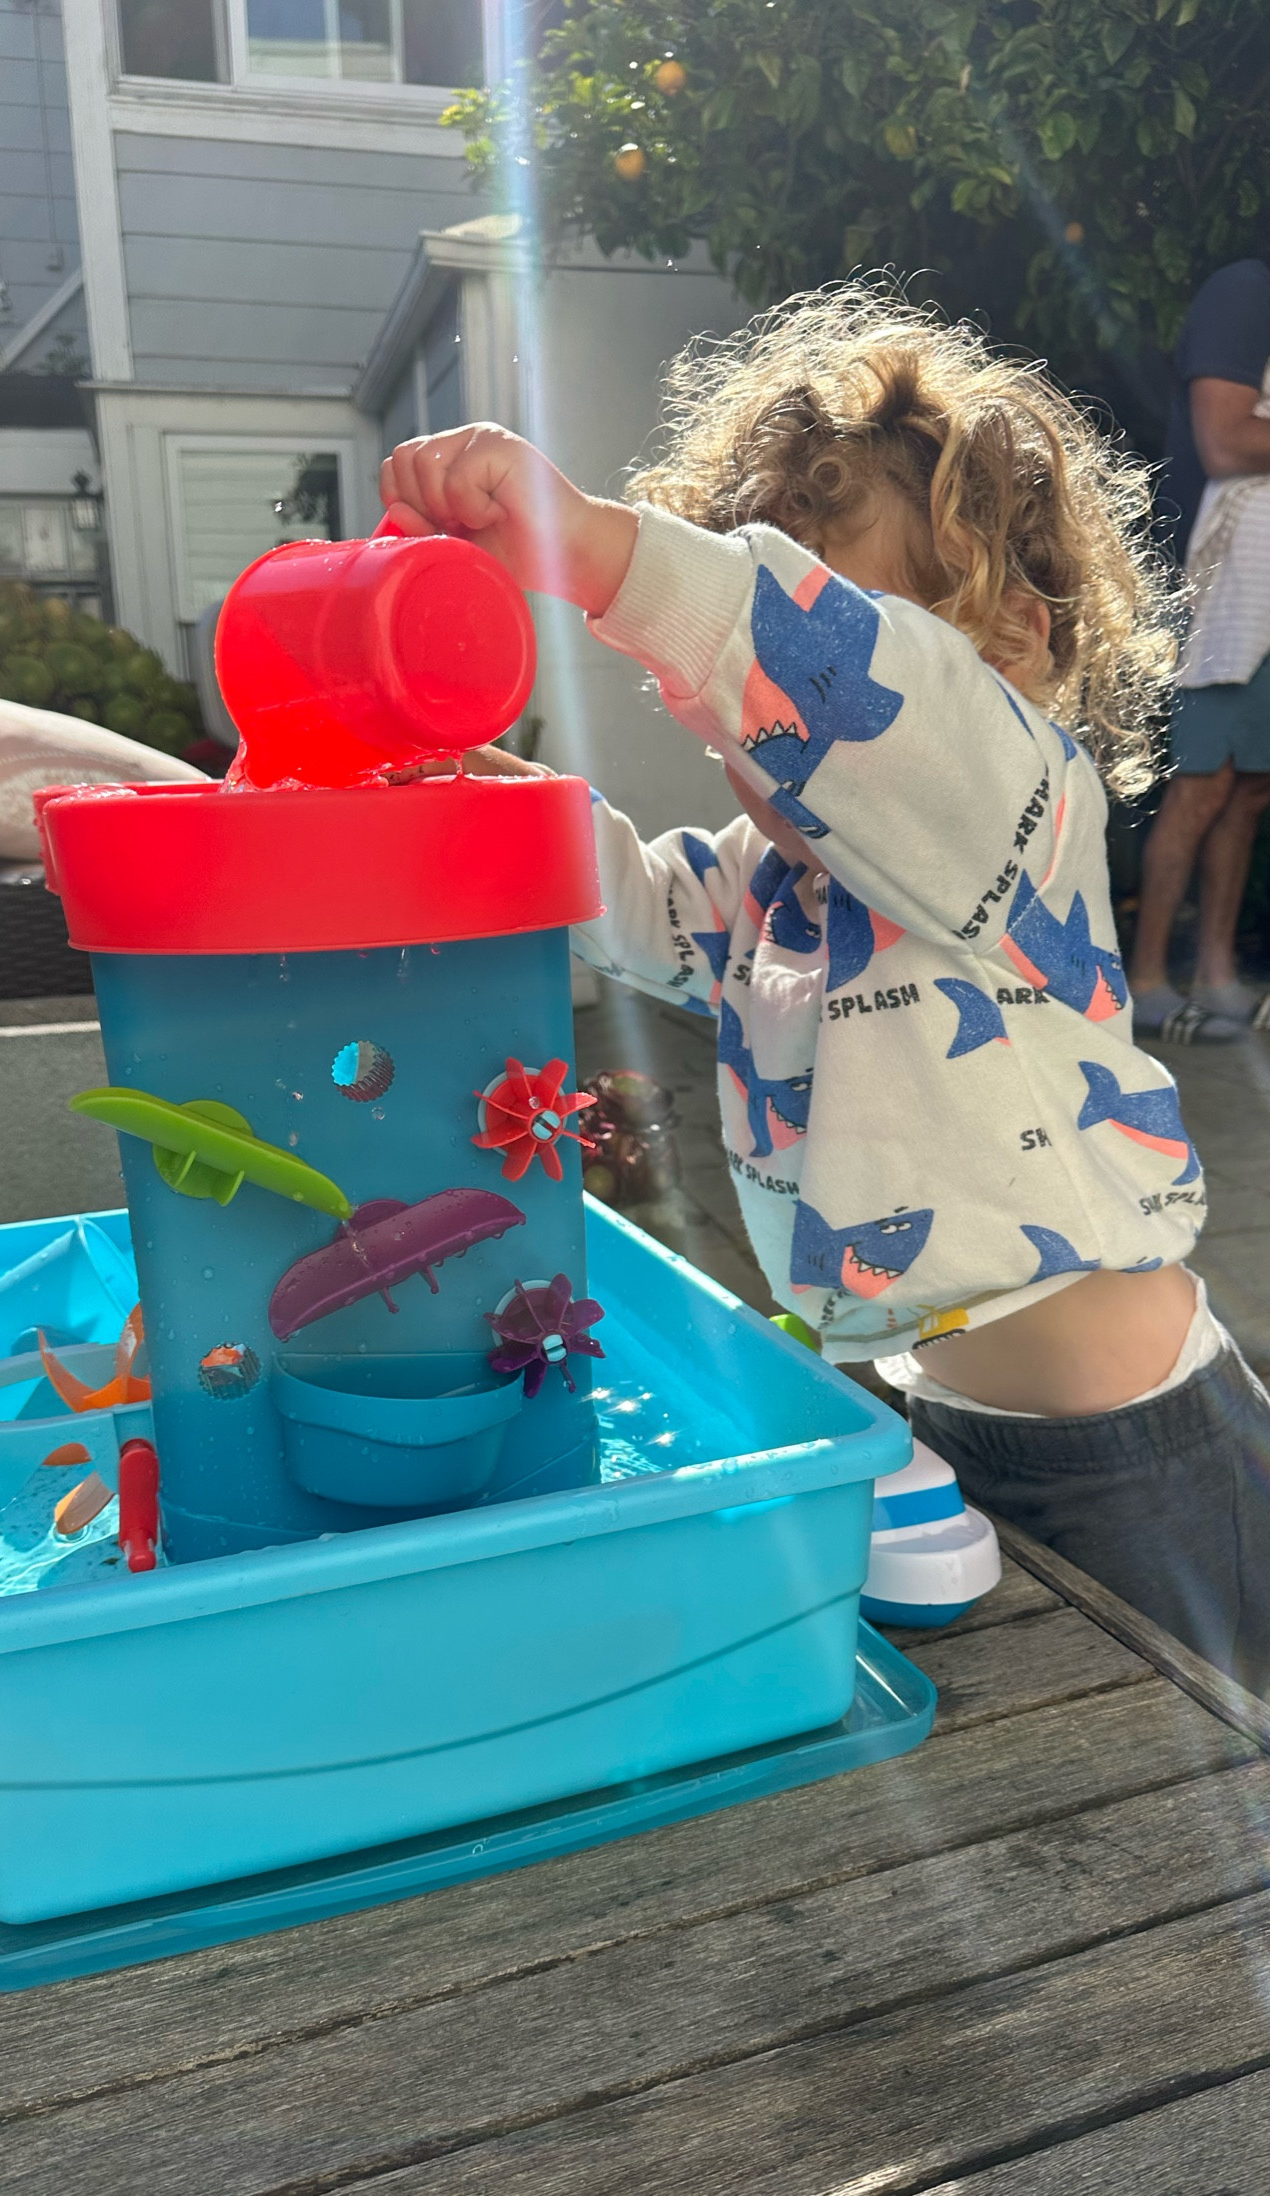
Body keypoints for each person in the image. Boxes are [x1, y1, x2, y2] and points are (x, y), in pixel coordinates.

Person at [380, 287, 1270, 1691]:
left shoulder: (1016, 806)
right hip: (945, 1422)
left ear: (1011, 648)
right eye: (739, 716)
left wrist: (598, 551)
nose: (767, 737)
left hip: (1144, 1448)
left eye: (790, 687)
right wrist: (483, 796)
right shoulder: (774, 883)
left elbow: (855, 688)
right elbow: (636, 915)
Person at [1129, 258, 1270, 1042]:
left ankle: (1215, 976)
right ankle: (1146, 980)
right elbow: (1224, 440)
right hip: (1223, 591)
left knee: (1250, 789)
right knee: (1203, 784)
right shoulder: (1246, 292)